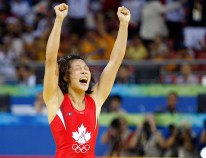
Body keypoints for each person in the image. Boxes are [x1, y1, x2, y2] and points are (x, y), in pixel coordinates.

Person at [43, 3, 130, 158]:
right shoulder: (55, 99)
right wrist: (59, 20)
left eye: (85, 68)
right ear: (65, 76)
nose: (84, 70)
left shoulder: (95, 101)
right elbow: (50, 60)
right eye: (77, 68)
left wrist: (123, 25)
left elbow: (115, 62)